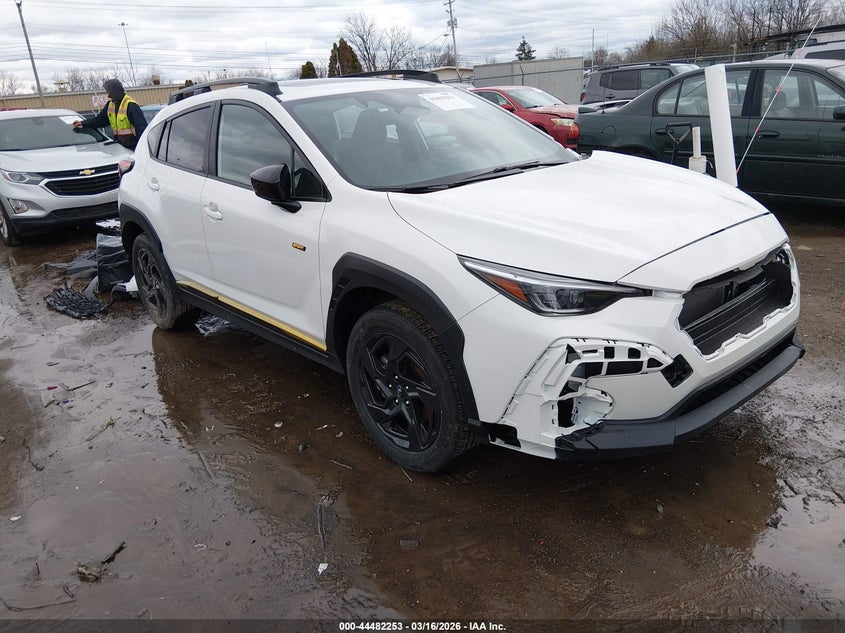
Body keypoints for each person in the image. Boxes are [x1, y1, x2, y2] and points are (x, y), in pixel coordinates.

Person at [73, 78, 147, 150]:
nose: (107, 95)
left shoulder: (130, 104)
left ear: (114, 91)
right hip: (119, 146)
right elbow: (99, 120)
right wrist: (83, 123)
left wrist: (141, 148)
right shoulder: (110, 104)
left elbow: (141, 128)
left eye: (108, 92)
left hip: (133, 147)